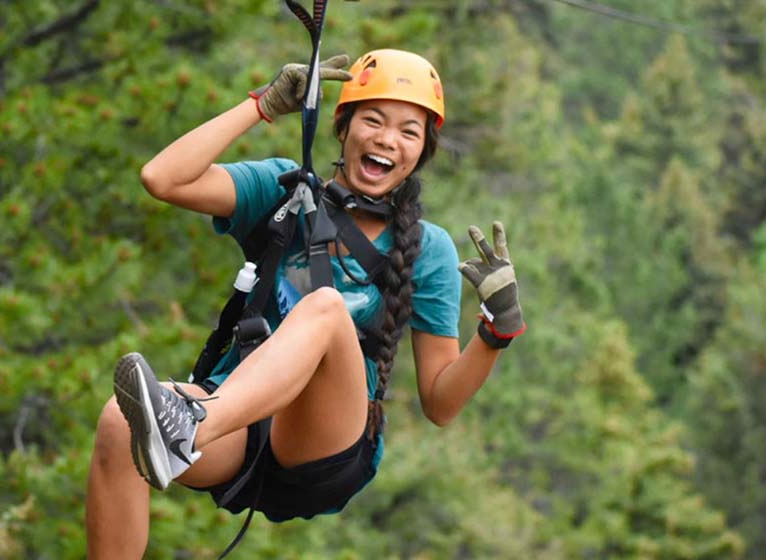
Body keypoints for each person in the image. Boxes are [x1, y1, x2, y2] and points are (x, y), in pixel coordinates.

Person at [85, 49, 526, 559]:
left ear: (421, 151)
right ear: (343, 126)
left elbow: (441, 405)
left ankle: (188, 426)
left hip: (324, 446)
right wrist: (262, 106)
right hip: (239, 428)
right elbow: (162, 178)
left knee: (325, 309)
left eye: (409, 131)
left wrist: (495, 332)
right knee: (119, 421)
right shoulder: (284, 190)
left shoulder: (428, 249)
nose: (387, 139)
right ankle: (186, 429)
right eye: (373, 120)